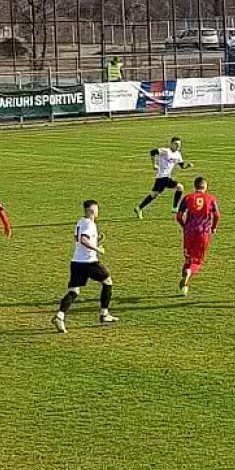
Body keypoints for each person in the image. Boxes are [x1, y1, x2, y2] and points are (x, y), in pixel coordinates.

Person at [53, 200, 119, 333]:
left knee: (74, 291)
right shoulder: (89, 224)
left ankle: (60, 316)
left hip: (76, 262)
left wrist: (95, 240)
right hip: (89, 262)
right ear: (93, 210)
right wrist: (97, 248)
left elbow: (76, 238)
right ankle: (104, 314)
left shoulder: (81, 222)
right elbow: (83, 240)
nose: (98, 211)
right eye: (97, 209)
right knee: (107, 282)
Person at [175, 176, 220, 296]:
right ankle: (189, 272)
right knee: (198, 260)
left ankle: (185, 286)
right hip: (203, 232)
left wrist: (184, 226)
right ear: (205, 186)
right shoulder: (211, 198)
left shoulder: (187, 198)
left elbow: (179, 216)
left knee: (188, 258)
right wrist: (214, 227)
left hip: (189, 232)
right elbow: (217, 216)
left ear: (195, 186)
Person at [135, 137, 191, 217]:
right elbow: (153, 152)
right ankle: (175, 208)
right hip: (163, 177)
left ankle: (139, 208)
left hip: (161, 178)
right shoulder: (166, 151)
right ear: (171, 144)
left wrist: (187, 166)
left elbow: (182, 166)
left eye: (179, 145)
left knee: (154, 195)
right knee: (180, 187)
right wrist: (154, 164)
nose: (178, 146)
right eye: (176, 144)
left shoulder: (178, 154)